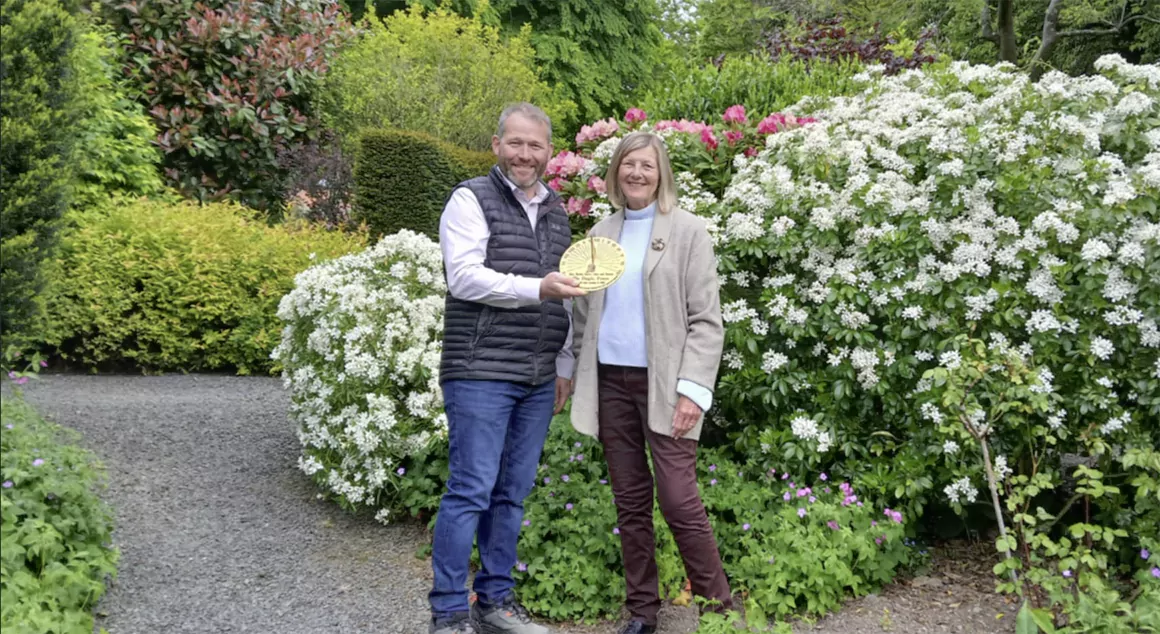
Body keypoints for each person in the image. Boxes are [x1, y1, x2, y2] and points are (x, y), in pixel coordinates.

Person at [430, 103, 584, 634]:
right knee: (471, 489)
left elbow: (564, 297)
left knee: (511, 494)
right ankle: (448, 613)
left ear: (549, 152)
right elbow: (465, 278)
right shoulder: (471, 198)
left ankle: (494, 603)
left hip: (539, 376)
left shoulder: (558, 211)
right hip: (480, 369)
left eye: (535, 145)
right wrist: (533, 287)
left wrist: (564, 363)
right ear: (497, 144)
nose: (525, 154)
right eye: (515, 143)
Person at [570, 132, 731, 634]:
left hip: (665, 385)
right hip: (611, 384)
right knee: (630, 500)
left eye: (647, 165)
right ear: (616, 172)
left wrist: (693, 390)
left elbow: (707, 321)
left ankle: (719, 611)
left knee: (679, 499)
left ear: (662, 173)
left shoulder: (687, 232)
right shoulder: (602, 232)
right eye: (628, 165)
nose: (637, 173)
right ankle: (643, 611)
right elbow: (581, 311)